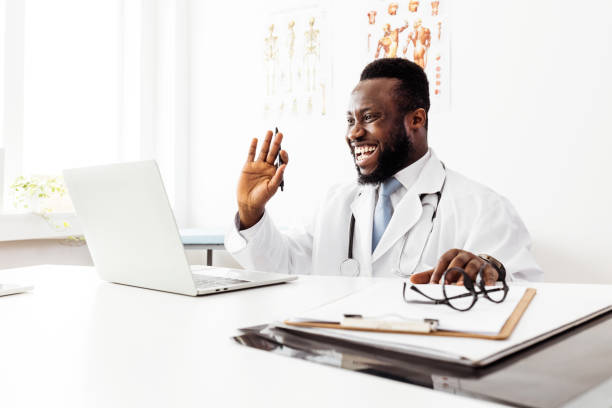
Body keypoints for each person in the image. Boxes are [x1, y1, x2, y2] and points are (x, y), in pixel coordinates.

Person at [225, 58, 542, 284]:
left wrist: (489, 272)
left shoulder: (483, 207)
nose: (353, 133)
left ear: (416, 120)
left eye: (369, 117)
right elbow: (282, 267)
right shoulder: (336, 202)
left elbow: (527, 293)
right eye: (350, 120)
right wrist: (250, 213)